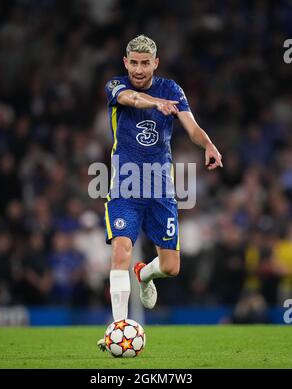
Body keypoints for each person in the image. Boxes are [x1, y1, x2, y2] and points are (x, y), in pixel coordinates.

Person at [97, 35, 222, 350]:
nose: (139, 69)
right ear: (126, 63)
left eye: (145, 63)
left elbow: (191, 128)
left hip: (160, 187)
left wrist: (207, 143)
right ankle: (118, 327)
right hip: (125, 185)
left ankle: (145, 275)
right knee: (120, 251)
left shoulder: (172, 90)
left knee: (170, 267)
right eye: (134, 63)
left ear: (156, 63)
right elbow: (131, 100)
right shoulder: (115, 86)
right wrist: (155, 103)